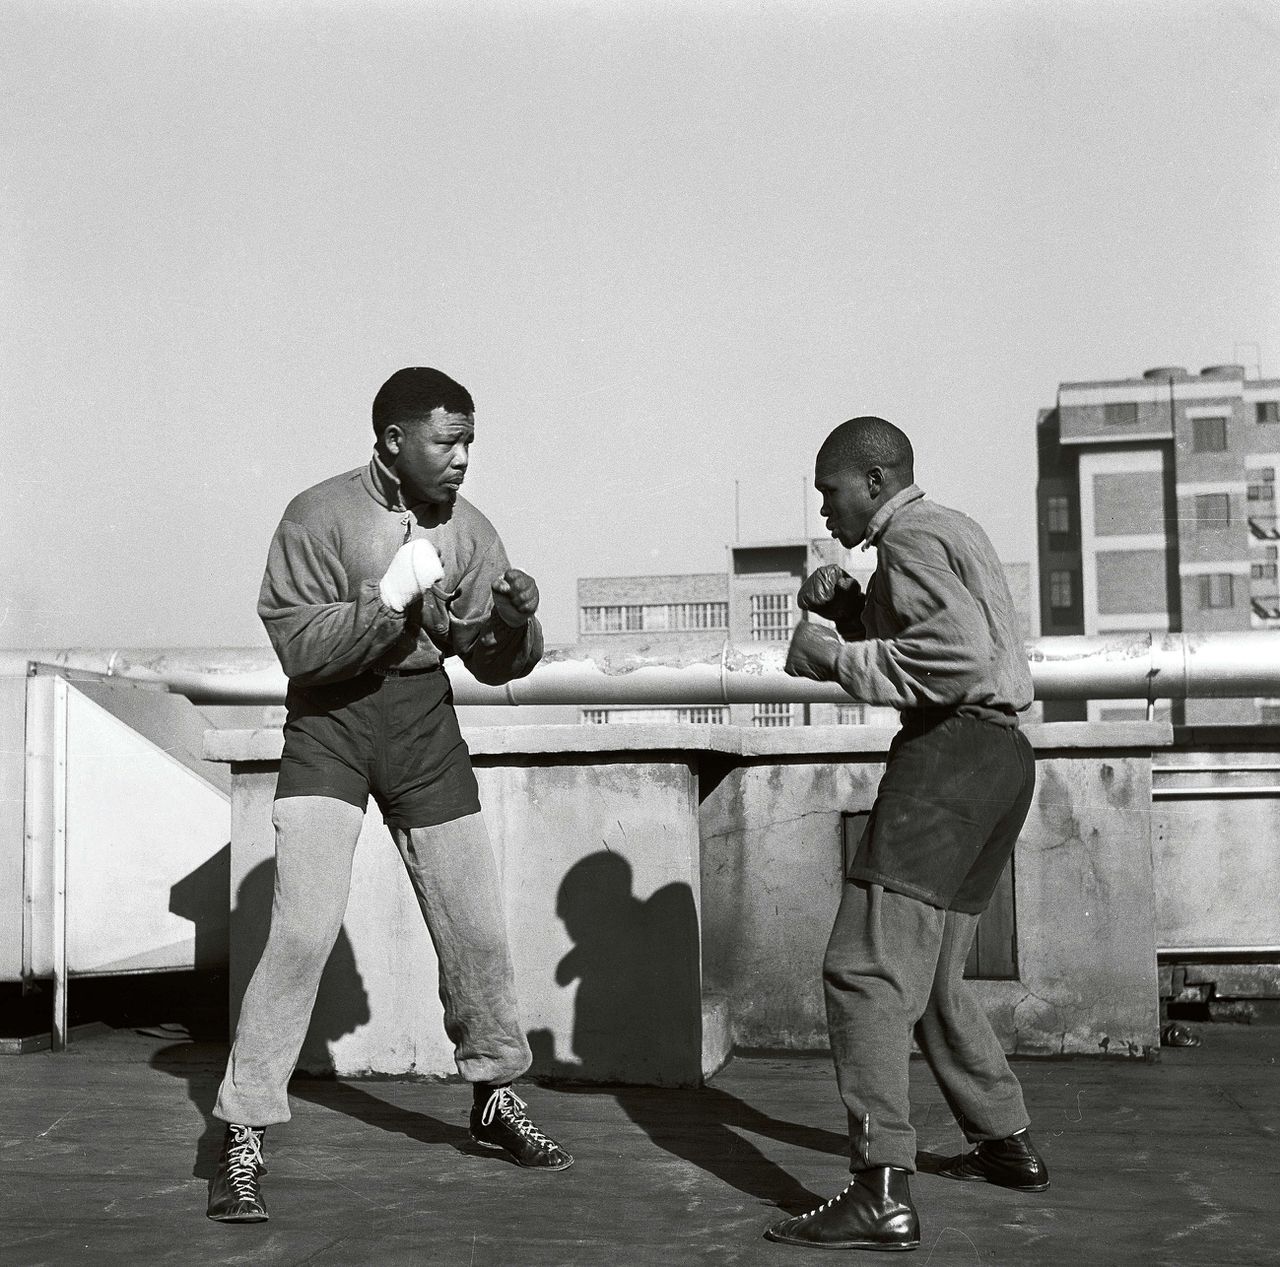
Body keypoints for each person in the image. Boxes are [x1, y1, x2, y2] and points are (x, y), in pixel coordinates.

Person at [207, 367, 573, 1224]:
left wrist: (515, 623)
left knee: (475, 923)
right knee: (300, 931)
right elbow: (299, 647)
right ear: (392, 441)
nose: (462, 459)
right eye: (447, 442)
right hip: (331, 725)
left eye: (469, 441)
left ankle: (491, 1098)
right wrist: (391, 597)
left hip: (422, 728)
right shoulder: (316, 513)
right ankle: (242, 1131)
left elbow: (490, 659)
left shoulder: (472, 529)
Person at [767, 416, 1048, 1252]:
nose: (825, 511)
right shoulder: (952, 527)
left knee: (863, 968)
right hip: (1003, 760)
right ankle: (1005, 1141)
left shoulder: (910, 540)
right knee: (932, 978)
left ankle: (880, 1189)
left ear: (877, 480)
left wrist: (830, 655)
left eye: (832, 492)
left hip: (949, 760)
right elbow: (960, 642)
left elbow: (952, 663)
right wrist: (854, 609)